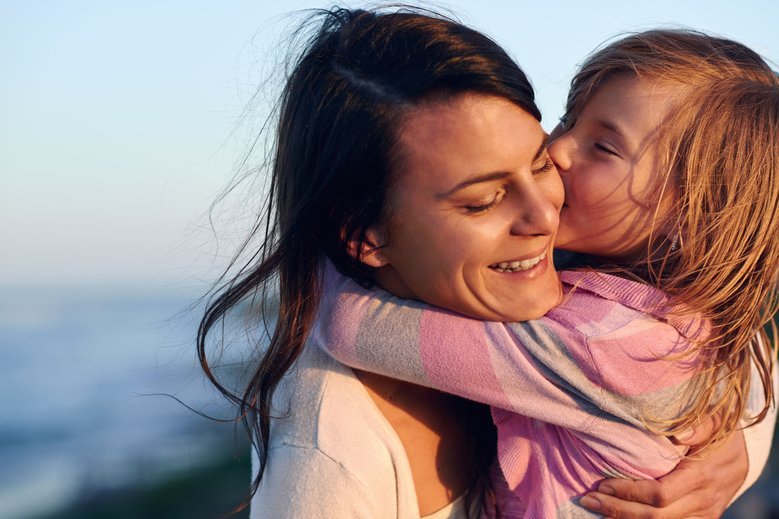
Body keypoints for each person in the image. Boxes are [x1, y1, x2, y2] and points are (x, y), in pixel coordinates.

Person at [197, 8, 771, 518]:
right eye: (482, 199)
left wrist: (738, 451)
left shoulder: (603, 334)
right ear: (364, 234)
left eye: (602, 146)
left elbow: (351, 326)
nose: (558, 153)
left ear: (693, 213)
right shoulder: (330, 445)